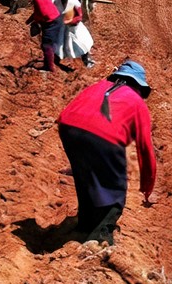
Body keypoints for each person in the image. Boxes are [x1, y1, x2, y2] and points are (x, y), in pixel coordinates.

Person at [56, 61, 158, 247]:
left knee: (85, 177)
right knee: (114, 187)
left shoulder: (97, 86)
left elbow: (74, 109)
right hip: (104, 136)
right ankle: (101, 237)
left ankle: (85, 225)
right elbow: (145, 148)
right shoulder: (137, 102)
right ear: (138, 85)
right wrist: (147, 187)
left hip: (68, 127)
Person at [25, 0, 63, 72]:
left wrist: (36, 22)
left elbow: (44, 13)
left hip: (51, 23)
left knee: (46, 45)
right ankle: (54, 60)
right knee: (52, 42)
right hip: (56, 19)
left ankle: (49, 67)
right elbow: (38, 11)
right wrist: (30, 20)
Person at [58, 0, 95, 69]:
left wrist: (69, 22)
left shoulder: (73, 2)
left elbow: (79, 17)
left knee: (80, 44)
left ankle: (87, 60)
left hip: (74, 28)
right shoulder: (57, 0)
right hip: (62, 27)